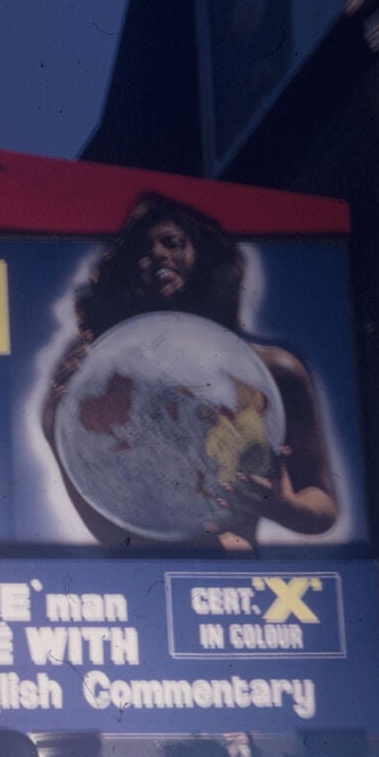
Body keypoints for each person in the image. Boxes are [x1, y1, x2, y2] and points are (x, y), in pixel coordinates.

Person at [43, 196, 338, 551]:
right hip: (145, 573)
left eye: (172, 242)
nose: (157, 254)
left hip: (237, 573)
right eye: (141, 250)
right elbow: (114, 530)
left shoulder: (273, 371)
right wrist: (60, 416)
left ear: (206, 258)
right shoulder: (100, 384)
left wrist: (284, 506)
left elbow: (321, 504)